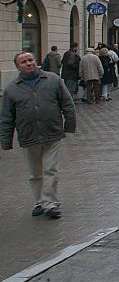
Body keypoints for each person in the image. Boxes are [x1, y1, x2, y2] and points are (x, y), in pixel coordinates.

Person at [0, 52, 76, 219]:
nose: (29, 63)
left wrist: (69, 126)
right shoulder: (11, 88)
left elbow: (67, 104)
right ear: (18, 67)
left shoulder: (53, 80)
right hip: (29, 136)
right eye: (24, 62)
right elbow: (6, 117)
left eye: (30, 60)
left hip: (52, 133)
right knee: (35, 173)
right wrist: (6, 141)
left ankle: (50, 203)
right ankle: (39, 202)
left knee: (50, 169)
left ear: (35, 61)